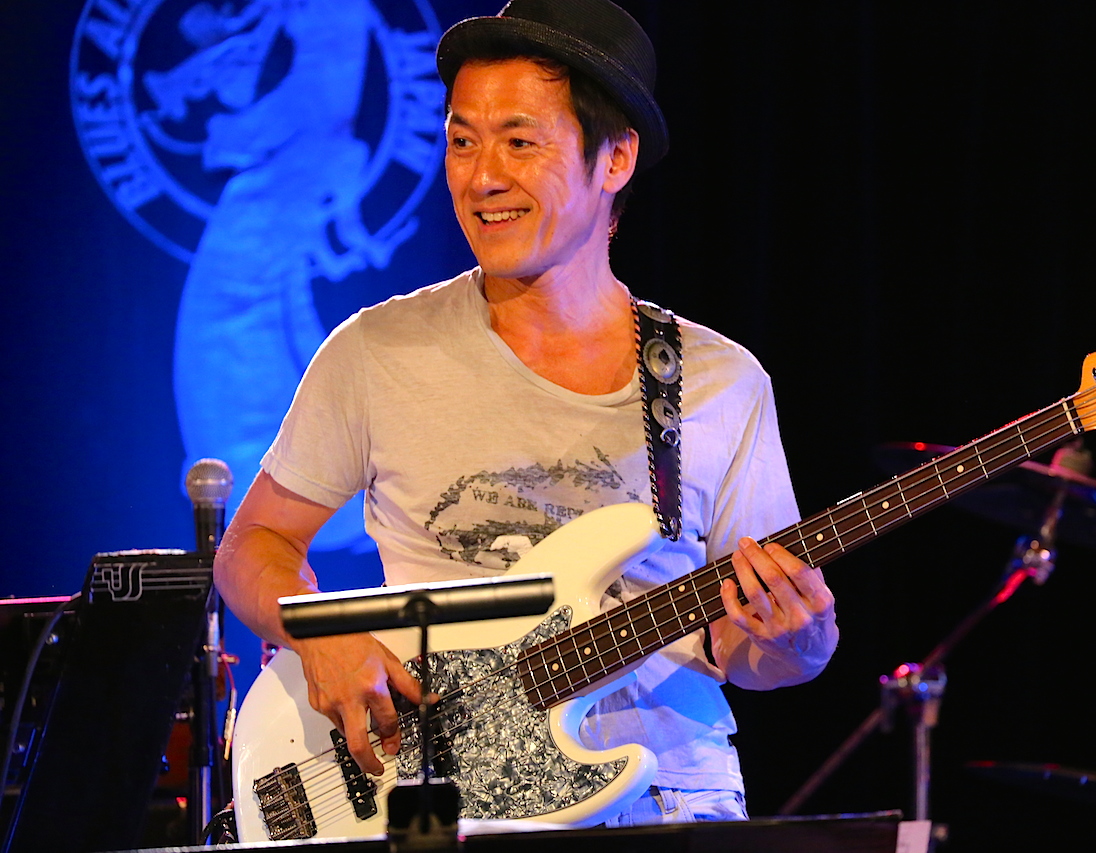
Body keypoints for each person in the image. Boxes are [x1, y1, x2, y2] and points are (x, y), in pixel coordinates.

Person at [213, 0, 838, 827]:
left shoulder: (721, 380)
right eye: (462, 141)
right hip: (441, 801)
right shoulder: (376, 350)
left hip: (670, 796)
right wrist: (316, 631)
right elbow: (252, 546)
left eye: (519, 142)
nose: (482, 177)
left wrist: (797, 642)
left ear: (616, 159)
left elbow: (745, 650)